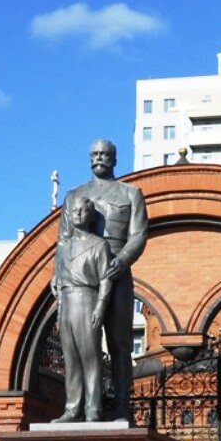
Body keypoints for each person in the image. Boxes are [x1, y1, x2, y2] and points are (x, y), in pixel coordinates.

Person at [57, 139, 148, 421]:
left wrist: (122, 261)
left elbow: (139, 235)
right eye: (95, 154)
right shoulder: (74, 195)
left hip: (116, 272)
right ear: (89, 158)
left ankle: (121, 407)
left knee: (120, 343)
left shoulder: (130, 193)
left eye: (105, 154)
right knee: (77, 346)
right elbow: (63, 239)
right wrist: (57, 275)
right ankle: (75, 409)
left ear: (114, 159)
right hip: (81, 274)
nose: (99, 158)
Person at [53, 197, 113, 422]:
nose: (78, 213)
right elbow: (58, 279)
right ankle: (72, 409)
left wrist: (100, 306)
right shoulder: (62, 247)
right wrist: (60, 309)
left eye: (83, 210)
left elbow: (105, 279)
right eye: (74, 210)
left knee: (90, 357)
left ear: (91, 216)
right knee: (70, 359)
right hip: (66, 302)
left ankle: (93, 409)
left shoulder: (99, 245)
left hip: (87, 299)